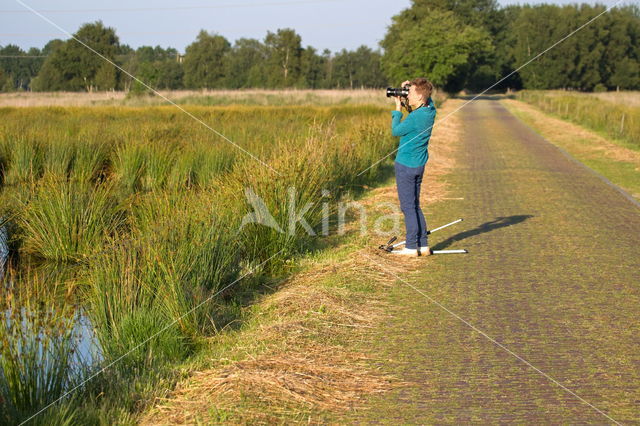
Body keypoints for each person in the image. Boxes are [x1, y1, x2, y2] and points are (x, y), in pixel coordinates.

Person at [390, 77, 436, 256]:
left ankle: (410, 247)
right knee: (416, 205)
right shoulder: (430, 110)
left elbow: (395, 131)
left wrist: (397, 108)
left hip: (405, 164)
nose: (407, 96)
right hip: (419, 164)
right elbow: (428, 96)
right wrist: (407, 87)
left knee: (408, 207)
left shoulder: (415, 117)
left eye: (410, 93)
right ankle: (423, 245)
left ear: (419, 97)